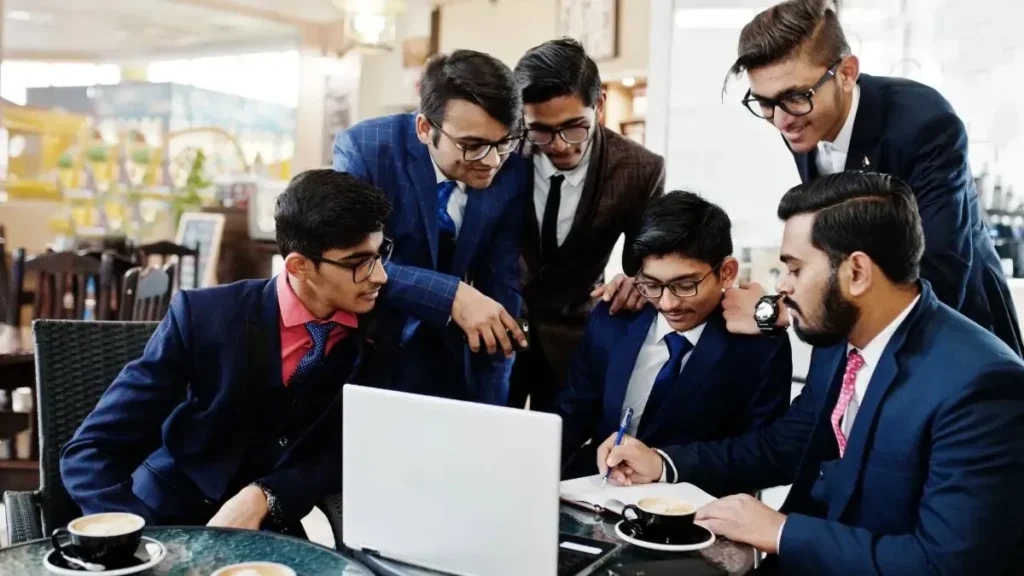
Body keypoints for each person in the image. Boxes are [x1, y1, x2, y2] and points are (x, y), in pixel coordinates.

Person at [596, 172, 1024, 575]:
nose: (781, 287)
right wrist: (664, 463)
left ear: (856, 273)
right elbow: (786, 446)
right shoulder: (840, 341)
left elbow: (943, 564)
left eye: (795, 268)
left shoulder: (981, 386)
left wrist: (781, 533)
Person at [61, 170, 393, 534]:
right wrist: (137, 535)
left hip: (269, 528)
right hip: (165, 512)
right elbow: (91, 449)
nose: (380, 276)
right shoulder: (203, 316)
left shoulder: (379, 332)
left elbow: (352, 451)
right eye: (357, 262)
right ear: (299, 265)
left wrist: (265, 495)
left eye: (379, 255)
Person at [719, 0, 1023, 358]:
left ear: (846, 73)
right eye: (765, 103)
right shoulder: (803, 119)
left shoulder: (924, 124)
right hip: (859, 332)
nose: (781, 121)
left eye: (795, 97)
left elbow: (939, 272)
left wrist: (778, 311)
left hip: (953, 329)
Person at [333, 49, 528, 405]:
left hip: (451, 360)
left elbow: (501, 284)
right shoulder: (367, 149)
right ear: (425, 128)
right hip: (367, 350)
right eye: (472, 146)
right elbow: (350, 261)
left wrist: (493, 408)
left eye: (503, 143)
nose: (492, 161)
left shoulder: (511, 170)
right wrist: (451, 295)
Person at [556, 191, 791, 479]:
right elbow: (572, 413)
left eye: (685, 285)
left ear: (727, 272)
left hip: (697, 504)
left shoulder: (761, 345)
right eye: (651, 284)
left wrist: (665, 466)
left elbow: (766, 454)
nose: (668, 304)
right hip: (597, 485)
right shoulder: (614, 317)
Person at [508, 38, 666, 411]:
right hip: (499, 332)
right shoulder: (501, 152)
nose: (561, 145)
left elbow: (643, 264)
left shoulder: (640, 169)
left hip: (574, 344)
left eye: (574, 127)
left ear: (598, 106)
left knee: (563, 460)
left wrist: (638, 282)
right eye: (541, 131)